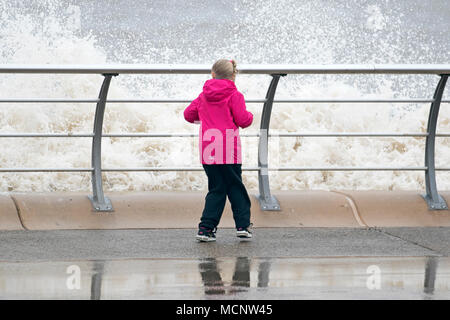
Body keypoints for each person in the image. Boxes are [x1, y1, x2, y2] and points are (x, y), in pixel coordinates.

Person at [184, 59, 254, 242]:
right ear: (233, 75)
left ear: (212, 74)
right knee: (235, 187)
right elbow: (243, 120)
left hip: (209, 148)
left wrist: (205, 118)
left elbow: (188, 114)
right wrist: (250, 116)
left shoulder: (203, 95)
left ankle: (206, 229)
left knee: (216, 189)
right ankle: (242, 226)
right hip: (229, 148)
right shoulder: (235, 94)